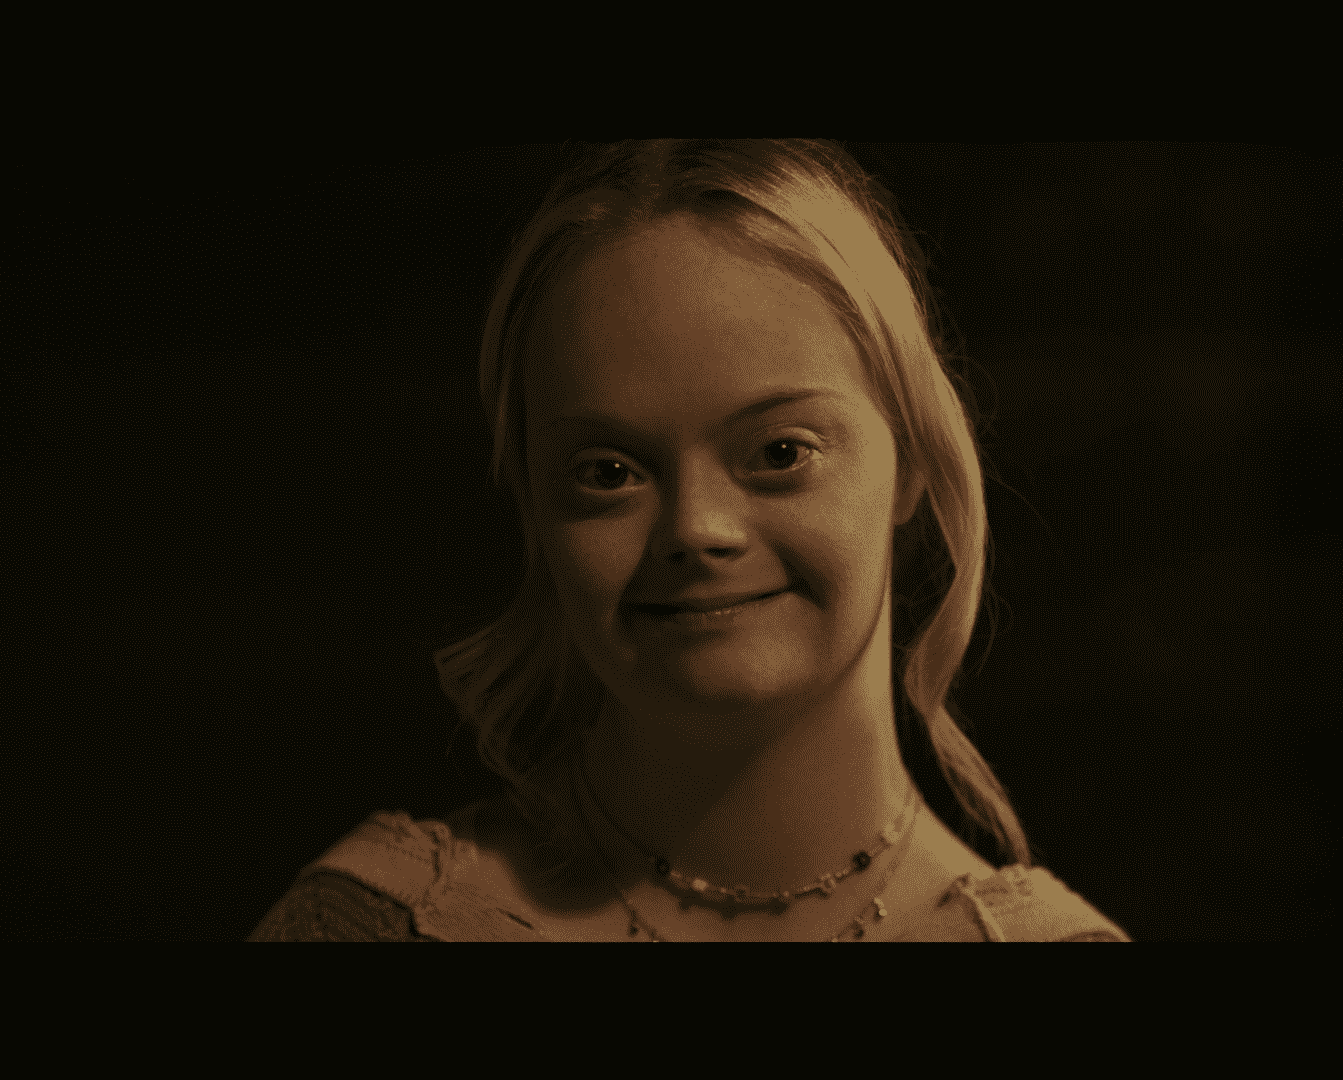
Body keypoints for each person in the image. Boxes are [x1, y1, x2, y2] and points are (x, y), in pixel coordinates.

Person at [250, 140, 1130, 941]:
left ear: (911, 459)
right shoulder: (368, 926)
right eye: (609, 472)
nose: (696, 529)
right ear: (530, 501)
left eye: (780, 453)